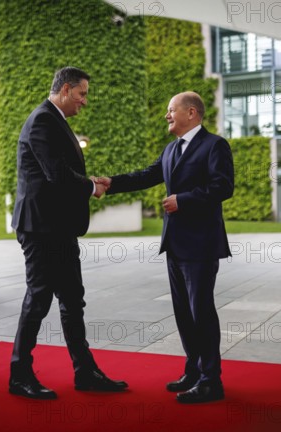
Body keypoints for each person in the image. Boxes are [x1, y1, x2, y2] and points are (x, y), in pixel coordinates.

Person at [95, 91, 234, 404]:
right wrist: (111, 182)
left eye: (171, 110)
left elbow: (223, 186)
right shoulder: (171, 150)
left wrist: (183, 200)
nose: (167, 115)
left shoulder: (215, 146)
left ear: (192, 112)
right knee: (183, 313)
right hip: (174, 245)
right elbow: (147, 175)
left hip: (201, 245)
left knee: (201, 313)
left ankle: (212, 381)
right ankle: (194, 371)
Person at [9, 66, 128, 400]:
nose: (85, 101)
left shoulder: (54, 120)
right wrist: (91, 186)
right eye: (82, 94)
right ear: (64, 89)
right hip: (40, 229)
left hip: (57, 229)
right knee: (38, 299)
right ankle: (19, 375)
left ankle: (85, 372)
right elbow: (57, 175)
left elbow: (63, 174)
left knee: (73, 300)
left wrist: (92, 183)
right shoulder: (43, 120)